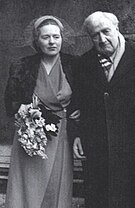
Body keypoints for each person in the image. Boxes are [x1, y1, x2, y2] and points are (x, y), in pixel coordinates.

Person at [73, 11, 135, 208]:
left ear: (117, 28)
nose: (102, 39)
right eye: (94, 35)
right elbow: (78, 103)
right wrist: (78, 135)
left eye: (106, 31)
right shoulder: (84, 63)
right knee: (101, 198)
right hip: (99, 146)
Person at [4, 15, 79, 208]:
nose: (52, 42)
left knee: (56, 185)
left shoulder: (75, 65)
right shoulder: (22, 66)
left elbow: (86, 96)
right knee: (28, 186)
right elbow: (10, 101)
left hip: (60, 135)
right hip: (31, 135)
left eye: (56, 36)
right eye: (46, 37)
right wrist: (20, 107)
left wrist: (78, 110)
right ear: (37, 40)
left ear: (62, 38)